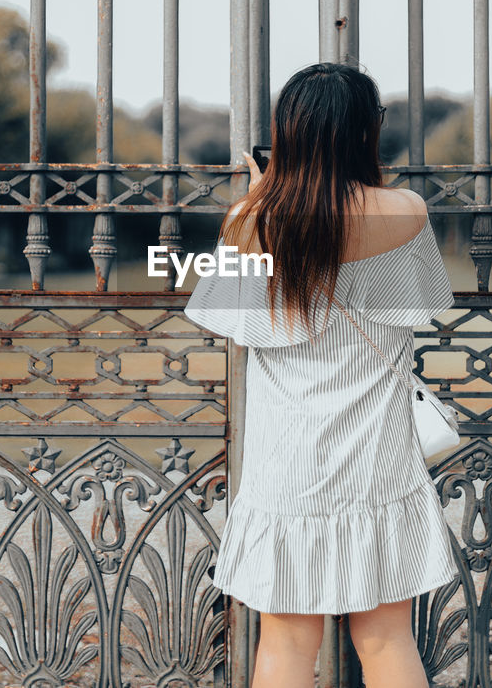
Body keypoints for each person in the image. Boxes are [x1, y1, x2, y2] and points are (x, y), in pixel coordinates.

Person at [184, 62, 459, 688]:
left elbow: (227, 320)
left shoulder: (252, 219)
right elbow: (423, 304)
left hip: (290, 458)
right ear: (367, 131)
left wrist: (262, 198)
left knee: (285, 644)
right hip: (377, 454)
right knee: (387, 639)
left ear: (289, 134)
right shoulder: (407, 212)